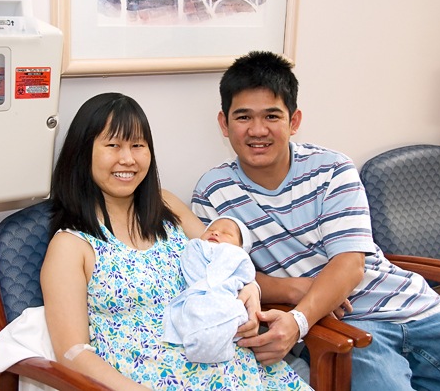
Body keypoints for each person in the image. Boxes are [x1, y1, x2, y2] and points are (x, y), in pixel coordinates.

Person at [191, 51, 440, 391]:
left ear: (294, 121)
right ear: (224, 124)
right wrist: (291, 289)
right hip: (344, 330)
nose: (258, 130)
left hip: (419, 309)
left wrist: (298, 320)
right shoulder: (212, 192)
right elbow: (222, 272)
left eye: (272, 115)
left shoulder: (331, 169)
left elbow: (351, 263)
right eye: (243, 117)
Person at [41, 92, 311, 391]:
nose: (128, 158)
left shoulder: (165, 206)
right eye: (113, 145)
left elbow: (221, 256)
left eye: (138, 145)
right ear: (82, 153)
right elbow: (73, 354)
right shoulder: (71, 246)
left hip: (233, 368)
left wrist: (248, 289)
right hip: (147, 381)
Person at [161, 216, 256, 364]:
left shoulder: (238, 256)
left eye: (227, 233)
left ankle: (217, 346)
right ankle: (204, 344)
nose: (216, 233)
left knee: (228, 318)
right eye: (211, 230)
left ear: (241, 247)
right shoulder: (196, 247)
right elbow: (191, 269)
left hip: (226, 297)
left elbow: (245, 274)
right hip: (200, 296)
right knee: (195, 313)